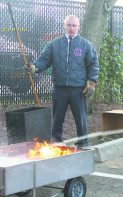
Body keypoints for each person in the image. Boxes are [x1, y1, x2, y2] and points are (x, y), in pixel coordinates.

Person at [24, 15, 99, 147]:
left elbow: (93, 64)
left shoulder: (86, 45)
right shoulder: (54, 44)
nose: (71, 28)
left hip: (78, 88)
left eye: (74, 25)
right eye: (69, 25)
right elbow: (44, 60)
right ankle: (57, 141)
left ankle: (83, 142)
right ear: (64, 26)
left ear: (78, 27)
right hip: (60, 88)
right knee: (58, 118)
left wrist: (92, 82)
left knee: (81, 118)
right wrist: (35, 67)